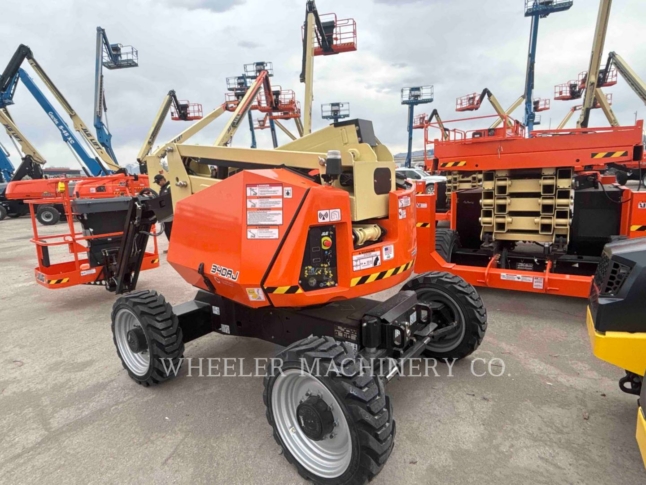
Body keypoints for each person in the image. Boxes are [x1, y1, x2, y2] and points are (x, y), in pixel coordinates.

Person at [153, 174, 173, 250]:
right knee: (167, 230)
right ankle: (171, 247)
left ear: (162, 180)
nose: (158, 184)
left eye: (158, 182)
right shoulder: (162, 189)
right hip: (165, 214)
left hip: (170, 213)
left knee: (171, 230)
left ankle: (174, 247)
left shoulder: (169, 187)